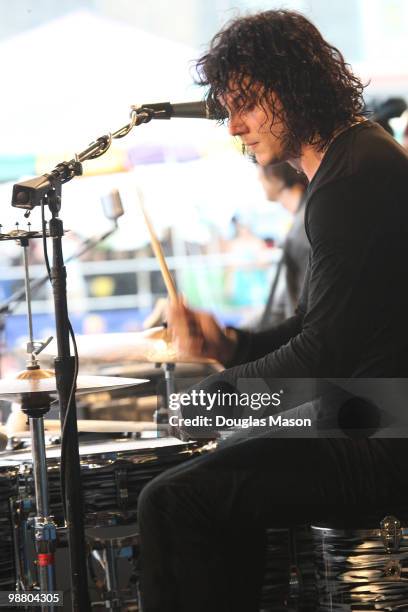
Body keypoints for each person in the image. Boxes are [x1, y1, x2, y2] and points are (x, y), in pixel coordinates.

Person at [137, 10, 408, 612]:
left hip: (385, 437)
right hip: (367, 416)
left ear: (292, 89)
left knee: (173, 501)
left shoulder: (353, 183)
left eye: (246, 105)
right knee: (220, 469)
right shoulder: (351, 163)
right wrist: (229, 346)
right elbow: (322, 330)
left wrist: (218, 398)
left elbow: (324, 357)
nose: (234, 126)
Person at [257, 162, 309, 325]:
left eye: (260, 169)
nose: (258, 178)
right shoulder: (301, 219)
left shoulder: (304, 226)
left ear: (276, 173)